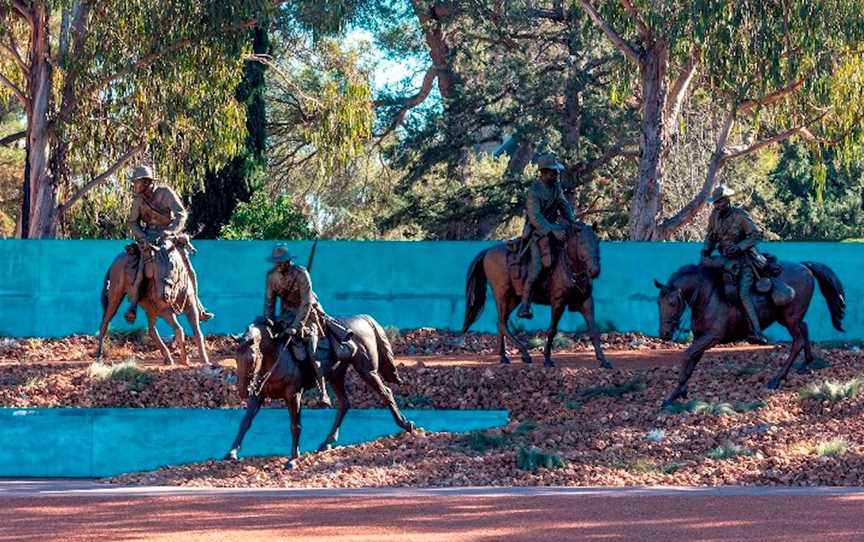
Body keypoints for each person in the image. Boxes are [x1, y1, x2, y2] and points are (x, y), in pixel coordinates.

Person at [263, 245, 356, 407]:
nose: (278, 265)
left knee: (311, 350)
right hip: (285, 315)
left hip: (307, 316)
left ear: (288, 261)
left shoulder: (301, 274)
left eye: (281, 262)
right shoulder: (271, 277)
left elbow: (306, 303)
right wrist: (268, 320)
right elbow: (269, 302)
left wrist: (296, 326)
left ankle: (323, 392)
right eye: (275, 262)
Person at [125, 165, 213, 324]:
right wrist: (142, 236)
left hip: (169, 235)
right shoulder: (138, 201)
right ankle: (133, 306)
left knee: (188, 267)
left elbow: (181, 214)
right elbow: (132, 222)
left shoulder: (165, 193)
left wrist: (171, 231)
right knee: (140, 267)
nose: (134, 185)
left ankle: (198, 306)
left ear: (146, 182)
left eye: (136, 182)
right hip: (149, 237)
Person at [701, 184, 769, 345]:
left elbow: (755, 236)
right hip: (724, 260)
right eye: (716, 203)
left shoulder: (740, 216)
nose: (718, 205)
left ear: (727, 201)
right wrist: (706, 250)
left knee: (743, 294)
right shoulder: (714, 216)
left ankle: (756, 331)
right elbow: (710, 236)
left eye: (720, 202)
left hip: (744, 260)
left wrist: (739, 247)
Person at [518, 153, 577, 319]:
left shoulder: (556, 187)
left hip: (554, 229)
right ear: (543, 172)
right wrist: (552, 230)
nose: (556, 174)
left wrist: (573, 223)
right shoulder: (534, 192)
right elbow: (536, 217)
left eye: (556, 172)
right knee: (537, 267)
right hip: (538, 233)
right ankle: (525, 305)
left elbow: (564, 205)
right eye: (552, 172)